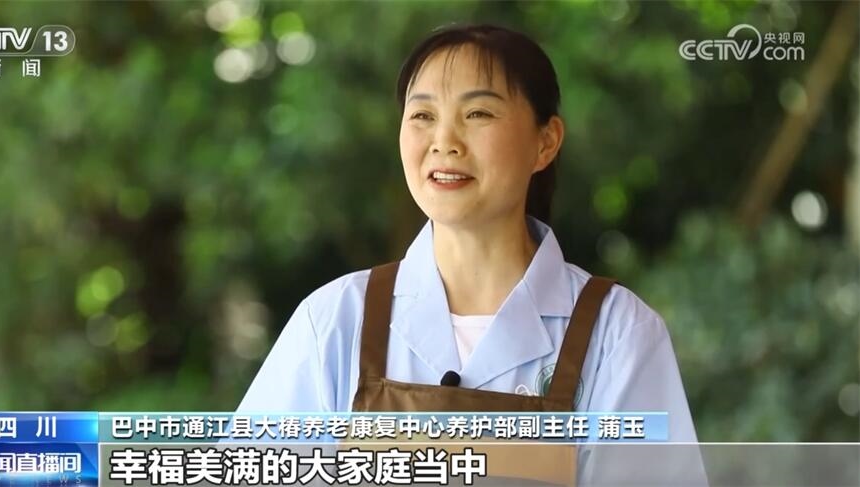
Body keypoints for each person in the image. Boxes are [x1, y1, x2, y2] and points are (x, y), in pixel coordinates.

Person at [236, 23, 707, 486]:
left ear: (545, 142)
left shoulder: (616, 334)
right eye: (423, 116)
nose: (445, 141)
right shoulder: (337, 320)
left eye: (478, 113)